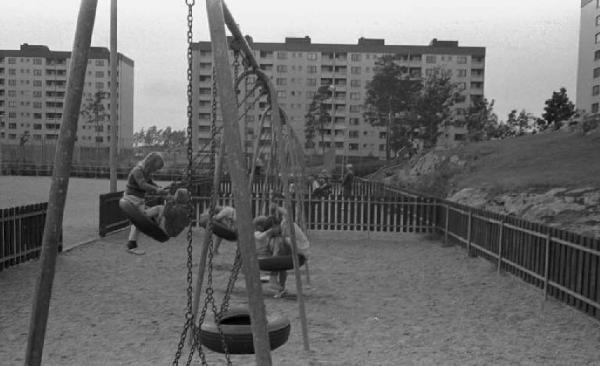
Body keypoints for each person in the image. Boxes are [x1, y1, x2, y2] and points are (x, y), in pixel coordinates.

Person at [123, 152, 169, 255]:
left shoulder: (146, 173)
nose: (154, 171)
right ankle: (156, 224)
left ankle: (131, 245)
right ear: (150, 164)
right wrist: (157, 190)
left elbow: (151, 183)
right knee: (155, 211)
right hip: (132, 199)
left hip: (139, 200)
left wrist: (160, 188)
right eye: (154, 168)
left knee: (138, 223)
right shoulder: (137, 171)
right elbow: (142, 184)